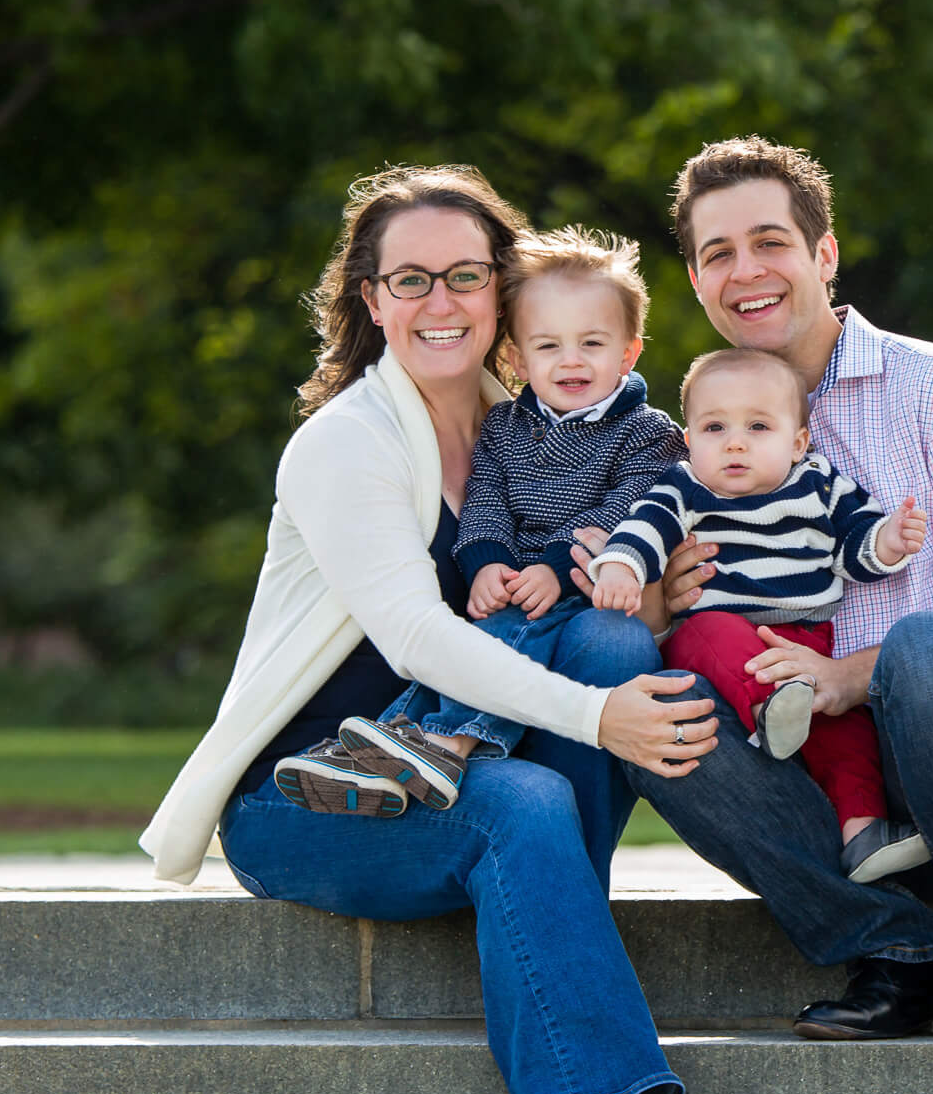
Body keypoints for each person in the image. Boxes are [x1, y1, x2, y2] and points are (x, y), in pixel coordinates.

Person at [138, 165, 746, 1094]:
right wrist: (599, 720)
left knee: (607, 646)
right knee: (522, 798)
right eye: (408, 279)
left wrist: (645, 583)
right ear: (371, 300)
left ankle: (548, 925)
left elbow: (589, 613)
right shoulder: (346, 444)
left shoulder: (539, 421)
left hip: (453, 763)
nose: (437, 302)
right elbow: (420, 639)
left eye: (463, 275)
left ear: (500, 294)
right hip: (309, 795)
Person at [603, 136, 933, 1042]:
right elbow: (661, 611)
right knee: (637, 708)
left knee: (931, 641)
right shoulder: (697, 438)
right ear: (696, 284)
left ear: (823, 254)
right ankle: (896, 956)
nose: (747, 271)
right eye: (717, 254)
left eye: (770, 241)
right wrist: (655, 598)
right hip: (807, 794)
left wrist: (850, 674)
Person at [288, 226, 685, 808]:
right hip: (517, 583)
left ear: (629, 351)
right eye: (548, 347)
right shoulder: (504, 424)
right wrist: (486, 561)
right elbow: (487, 498)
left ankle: (446, 747)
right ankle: (403, 745)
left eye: (592, 345)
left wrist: (554, 565)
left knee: (514, 637)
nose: (570, 361)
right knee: (487, 635)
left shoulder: (648, 432)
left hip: (582, 585)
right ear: (520, 359)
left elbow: (631, 504)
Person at [586, 346, 933, 883]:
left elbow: (853, 550)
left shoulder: (819, 485)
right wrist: (621, 567)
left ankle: (862, 831)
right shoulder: (685, 487)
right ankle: (772, 708)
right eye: (715, 427)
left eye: (758, 426)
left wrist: (888, 541)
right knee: (714, 629)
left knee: (846, 732)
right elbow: (644, 528)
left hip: (804, 643)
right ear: (689, 440)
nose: (736, 442)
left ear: (798, 443)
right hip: (716, 634)